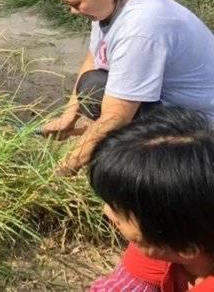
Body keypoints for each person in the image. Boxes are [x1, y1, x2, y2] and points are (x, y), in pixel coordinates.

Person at [41, 0, 214, 176]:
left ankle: (166, 164)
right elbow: (94, 58)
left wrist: (63, 170)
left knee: (112, 146)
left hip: (201, 126)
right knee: (93, 85)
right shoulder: (115, 0)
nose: (73, 10)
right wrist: (69, 116)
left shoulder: (141, 27)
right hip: (172, 103)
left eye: (76, 3)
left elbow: (116, 117)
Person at [88, 109, 214, 291]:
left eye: (120, 211)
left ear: (187, 249)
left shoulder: (164, 238)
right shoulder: (165, 239)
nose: (106, 212)